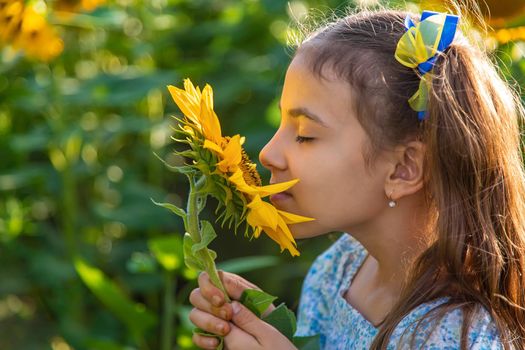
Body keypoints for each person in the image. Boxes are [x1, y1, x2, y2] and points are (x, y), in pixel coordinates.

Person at [187, 5, 525, 350]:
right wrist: (267, 329)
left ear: (403, 168)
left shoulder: (459, 335)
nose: (267, 154)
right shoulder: (338, 270)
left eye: (304, 134)